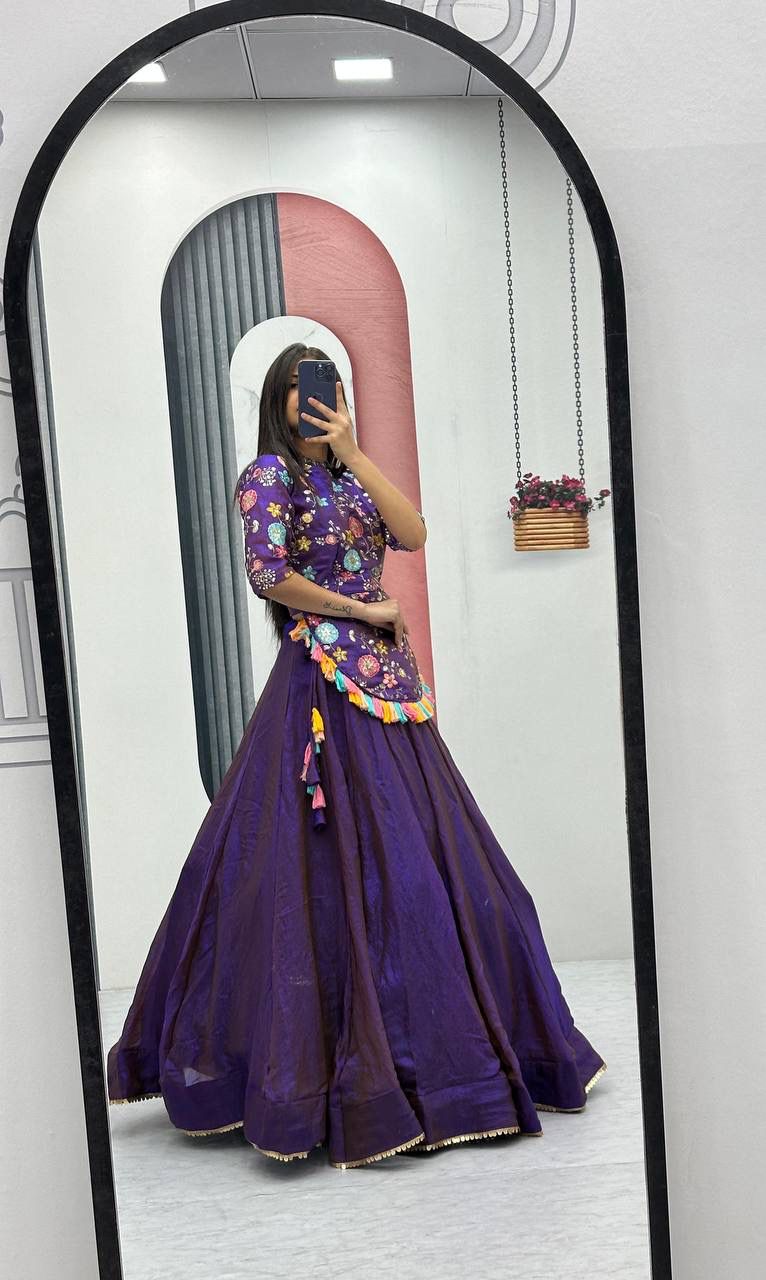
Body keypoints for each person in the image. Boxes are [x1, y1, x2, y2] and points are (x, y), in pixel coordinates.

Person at [107, 342, 607, 1170]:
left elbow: (412, 533)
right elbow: (268, 574)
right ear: (280, 402)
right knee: (314, 874)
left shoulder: (348, 476)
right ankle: (318, 1071)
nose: (317, 401)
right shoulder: (268, 475)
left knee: (431, 868)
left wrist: (354, 451)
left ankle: (446, 1057)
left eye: (329, 388)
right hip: (319, 686)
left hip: (388, 687)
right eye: (302, 392)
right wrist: (361, 610)